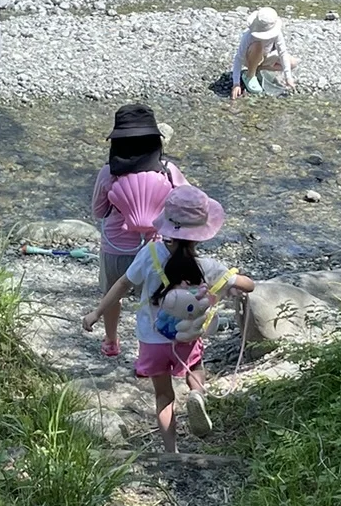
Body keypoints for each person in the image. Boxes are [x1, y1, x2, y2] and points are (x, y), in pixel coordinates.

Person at [82, 185, 254, 455]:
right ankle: (196, 393)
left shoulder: (149, 255)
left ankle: (170, 451)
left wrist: (96, 313)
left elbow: (121, 285)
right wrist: (233, 281)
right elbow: (248, 285)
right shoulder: (208, 266)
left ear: (166, 228)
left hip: (152, 341)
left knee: (163, 397)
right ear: (200, 235)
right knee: (196, 366)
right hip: (186, 338)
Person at [89, 103, 188, 358]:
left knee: (114, 294)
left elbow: (99, 212)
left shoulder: (108, 173)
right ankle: (158, 343)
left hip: (116, 246)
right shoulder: (168, 171)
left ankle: (111, 341)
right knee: (157, 297)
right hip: (158, 248)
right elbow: (187, 202)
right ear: (155, 142)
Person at [231, 6, 296, 100]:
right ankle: (249, 75)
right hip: (250, 57)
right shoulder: (248, 36)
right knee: (258, 46)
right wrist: (236, 84)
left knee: (292, 63)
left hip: (265, 57)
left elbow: (283, 53)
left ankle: (259, 69)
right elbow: (238, 58)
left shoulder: (277, 34)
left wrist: (288, 77)